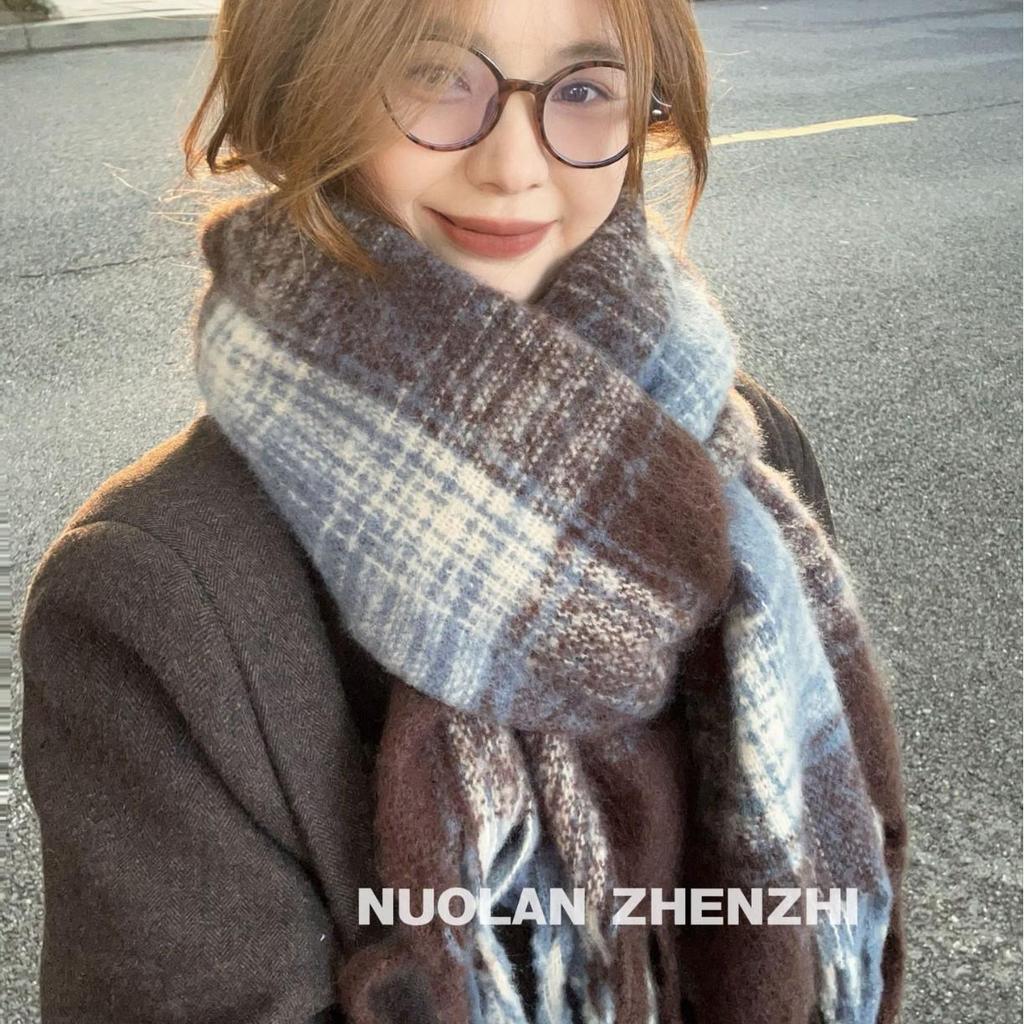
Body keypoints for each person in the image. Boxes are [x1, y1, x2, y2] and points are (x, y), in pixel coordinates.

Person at [18, 0, 907, 1021]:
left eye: (585, 89)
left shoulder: (744, 455)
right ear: (300, 88)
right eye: (434, 74)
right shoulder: (154, 595)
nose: (515, 164)